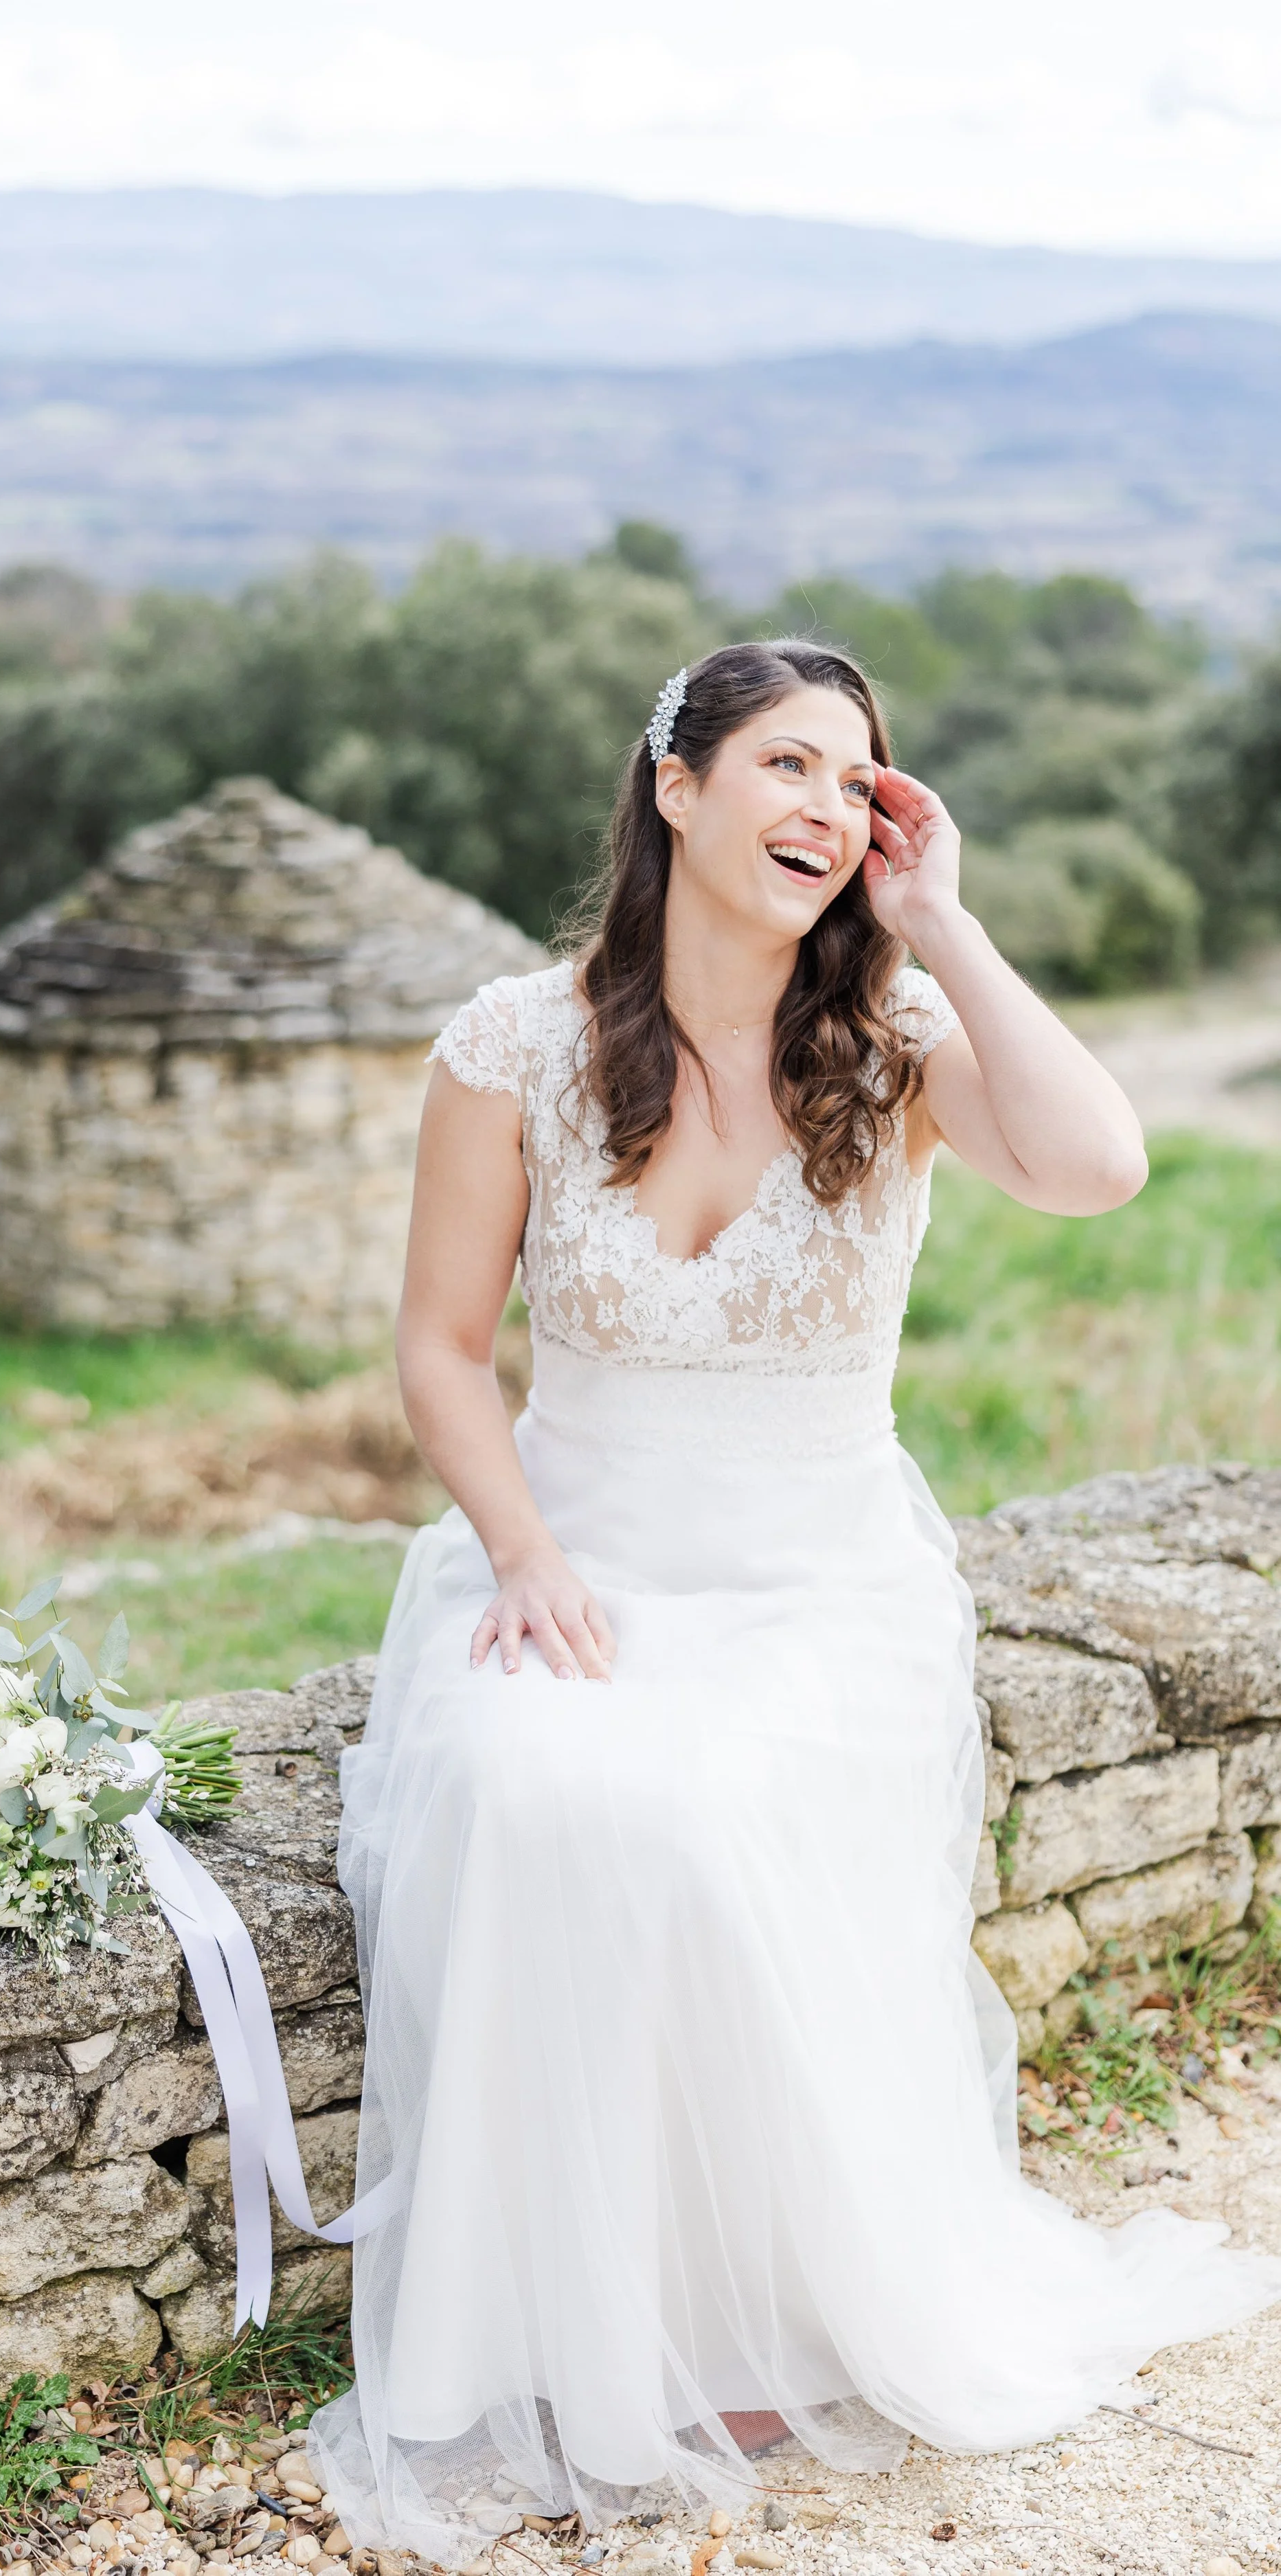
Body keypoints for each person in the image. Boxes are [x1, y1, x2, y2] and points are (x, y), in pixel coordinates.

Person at [305, 640, 1281, 2564]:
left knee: (700, 1804)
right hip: (567, 1556)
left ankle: (755, 2313)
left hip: (822, 1581)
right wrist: (522, 1554)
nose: (825, 807)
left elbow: (1099, 1162)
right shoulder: (508, 1044)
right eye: (784, 762)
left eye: (858, 779)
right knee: (526, 1787)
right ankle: (554, 2327)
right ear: (673, 785)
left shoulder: (899, 1040)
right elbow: (434, 1350)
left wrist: (946, 922)